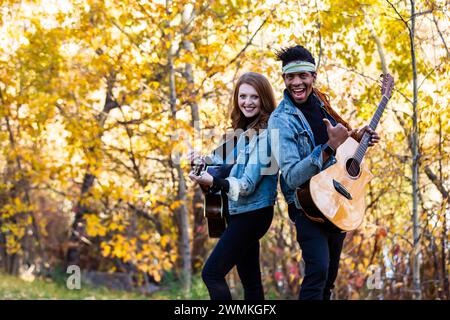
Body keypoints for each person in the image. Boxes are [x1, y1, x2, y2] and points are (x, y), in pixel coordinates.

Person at [267, 45, 380, 300]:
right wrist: (329, 147)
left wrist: (357, 137)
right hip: (307, 206)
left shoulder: (322, 103)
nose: (297, 83)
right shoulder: (280, 119)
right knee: (318, 271)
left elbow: (341, 145)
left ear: (313, 76)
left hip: (337, 200)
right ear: (283, 79)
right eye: (290, 77)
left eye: (303, 76)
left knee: (329, 278)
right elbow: (292, 176)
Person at [188, 72, 278, 300]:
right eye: (243, 96)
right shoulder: (240, 130)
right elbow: (219, 160)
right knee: (251, 283)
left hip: (253, 214)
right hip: (237, 212)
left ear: (264, 100)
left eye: (254, 97)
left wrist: (214, 181)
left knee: (211, 273)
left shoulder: (267, 135)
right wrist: (200, 160)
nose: (247, 102)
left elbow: (247, 184)